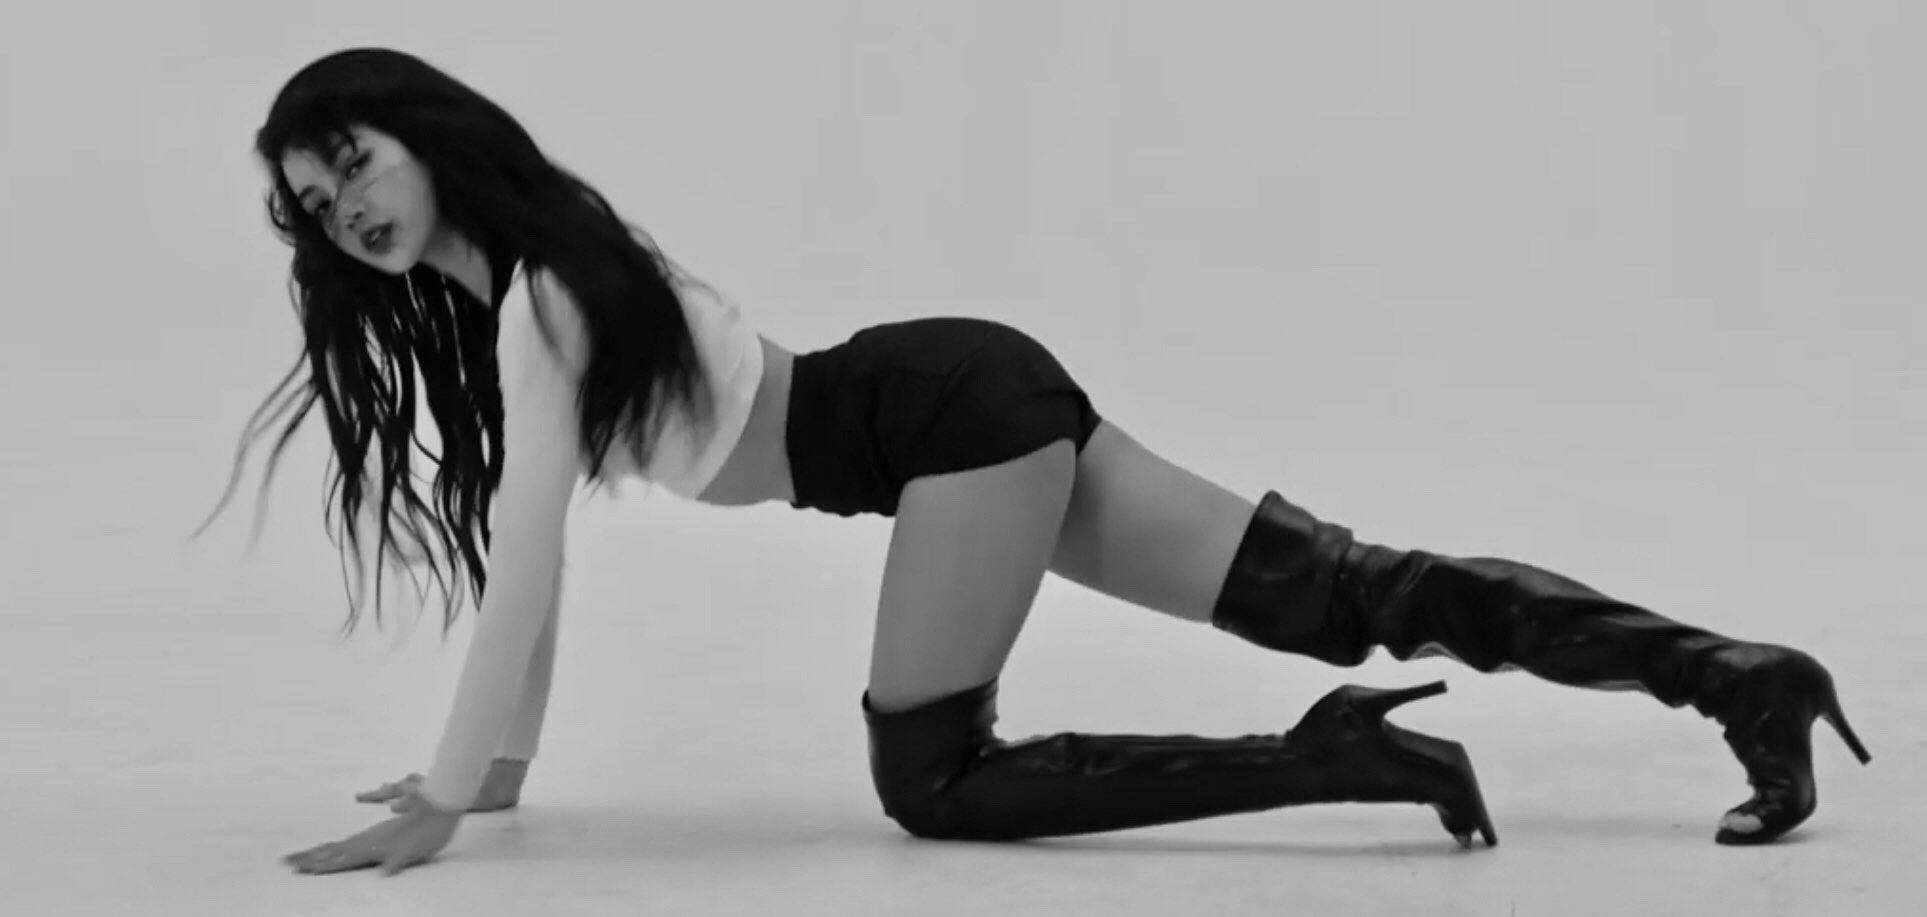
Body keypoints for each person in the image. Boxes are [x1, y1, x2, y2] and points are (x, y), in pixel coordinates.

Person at [200, 49, 1870, 878]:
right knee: (1335, 593)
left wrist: (447, 796)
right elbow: (536, 551)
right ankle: (1742, 676)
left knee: (931, 780)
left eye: (355, 159)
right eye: (317, 202)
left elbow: (527, 563)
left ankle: (1340, 760)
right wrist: (497, 769)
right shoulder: (531, 287)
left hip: (948, 425)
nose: (348, 207)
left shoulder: (548, 299)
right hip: (959, 397)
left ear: (423, 128)